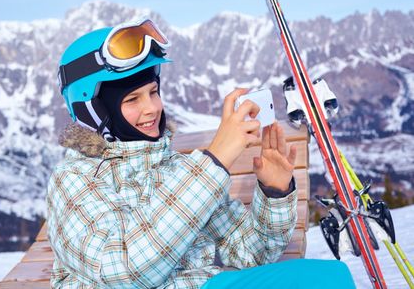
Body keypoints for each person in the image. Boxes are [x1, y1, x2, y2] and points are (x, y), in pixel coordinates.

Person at [47, 18, 356, 288]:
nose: (151, 108)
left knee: (330, 278)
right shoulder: (73, 181)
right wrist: (217, 158)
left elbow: (252, 253)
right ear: (93, 110)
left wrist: (274, 192)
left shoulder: (178, 170)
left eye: (153, 92)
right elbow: (125, 273)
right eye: (132, 99)